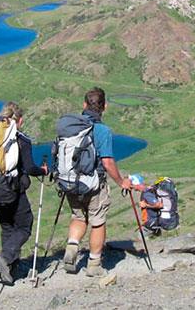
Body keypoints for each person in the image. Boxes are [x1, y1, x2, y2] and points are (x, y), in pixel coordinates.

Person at [63, 87, 132, 277]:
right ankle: (94, 264)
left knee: (78, 217)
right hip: (94, 184)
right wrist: (121, 182)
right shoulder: (102, 130)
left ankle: (72, 248)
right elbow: (108, 162)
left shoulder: (71, 127)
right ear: (105, 107)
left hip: (71, 182)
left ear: (84, 105)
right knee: (98, 221)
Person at [0, 102, 48, 285]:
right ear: (19, 120)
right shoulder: (21, 140)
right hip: (13, 190)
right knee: (24, 225)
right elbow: (30, 167)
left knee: (7, 227)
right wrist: (43, 171)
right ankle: (6, 258)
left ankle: (9, 269)